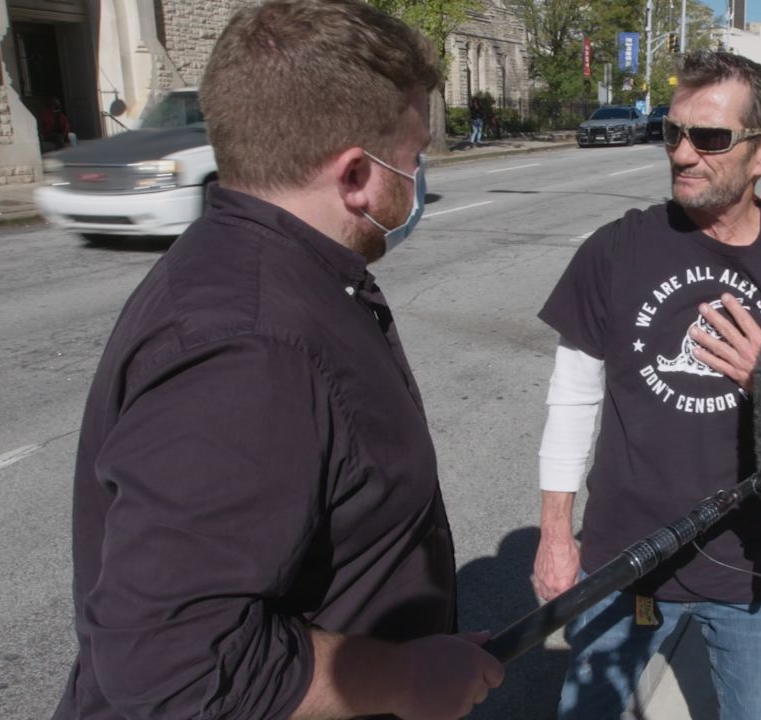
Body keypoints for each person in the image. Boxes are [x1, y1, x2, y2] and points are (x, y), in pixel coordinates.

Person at [54, 2, 503, 719]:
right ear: (356, 172)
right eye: (414, 157)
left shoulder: (274, 270)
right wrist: (402, 678)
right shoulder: (251, 347)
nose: (419, 179)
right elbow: (171, 661)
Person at [533, 50, 761, 719]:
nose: (683, 154)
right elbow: (572, 396)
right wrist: (554, 533)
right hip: (622, 559)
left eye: (709, 137)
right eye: (673, 132)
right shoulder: (616, 248)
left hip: (748, 564)